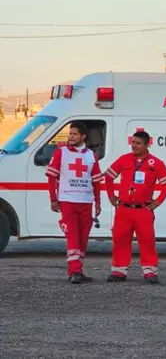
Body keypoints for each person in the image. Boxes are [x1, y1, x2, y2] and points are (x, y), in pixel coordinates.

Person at [104, 130, 166, 283]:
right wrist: (111, 195)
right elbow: (108, 176)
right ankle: (119, 271)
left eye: (137, 143)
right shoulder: (124, 159)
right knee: (120, 239)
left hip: (143, 209)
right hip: (123, 209)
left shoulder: (155, 163)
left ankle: (150, 271)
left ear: (146, 145)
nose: (133, 146)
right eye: (133, 143)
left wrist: (157, 201)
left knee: (147, 240)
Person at [45, 122, 103, 284]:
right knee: (73, 236)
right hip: (68, 201)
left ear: (83, 136)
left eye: (74, 134)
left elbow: (97, 181)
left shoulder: (91, 155)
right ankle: (76, 270)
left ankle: (76, 270)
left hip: (86, 202)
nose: (71, 136)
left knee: (83, 238)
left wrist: (98, 202)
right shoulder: (61, 153)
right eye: (70, 134)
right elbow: (51, 177)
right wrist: (53, 199)